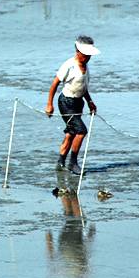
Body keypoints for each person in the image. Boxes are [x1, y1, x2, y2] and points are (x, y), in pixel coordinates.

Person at [44, 36, 100, 175]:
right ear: (78, 52)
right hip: (66, 103)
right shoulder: (69, 65)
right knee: (81, 131)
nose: (87, 58)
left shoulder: (86, 66)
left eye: (89, 55)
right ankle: (73, 163)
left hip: (78, 103)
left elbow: (83, 87)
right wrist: (49, 104)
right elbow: (54, 84)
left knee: (71, 132)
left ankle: (60, 162)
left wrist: (90, 102)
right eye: (85, 54)